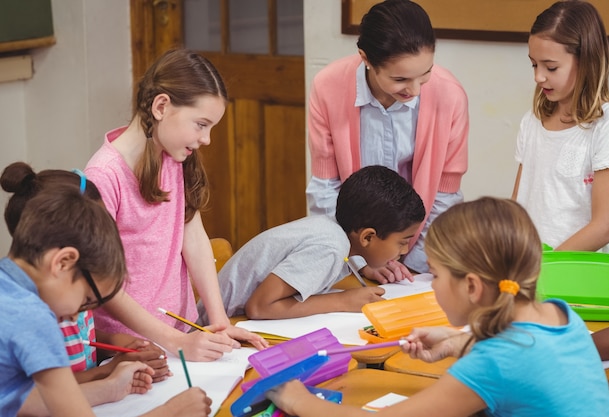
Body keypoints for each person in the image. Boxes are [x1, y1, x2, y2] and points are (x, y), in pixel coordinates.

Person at [267, 197, 609, 416]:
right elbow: (530, 357)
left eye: (435, 275)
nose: (432, 285)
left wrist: (300, 401)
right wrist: (456, 342)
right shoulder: (557, 314)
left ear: (473, 287)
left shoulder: (493, 363)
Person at [84, 48, 267, 361]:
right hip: (130, 348)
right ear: (161, 106)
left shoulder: (173, 155)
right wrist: (175, 343)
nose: (207, 139)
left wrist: (219, 322)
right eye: (201, 124)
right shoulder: (103, 176)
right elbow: (101, 283)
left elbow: (193, 239)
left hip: (178, 334)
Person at [1, 186, 213, 416]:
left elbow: (21, 399)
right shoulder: (34, 318)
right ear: (63, 262)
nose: (75, 317)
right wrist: (170, 412)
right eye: (85, 300)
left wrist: (108, 388)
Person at [306, 0, 469, 282]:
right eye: (401, 79)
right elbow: (325, 190)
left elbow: (445, 196)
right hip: (352, 249)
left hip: (420, 251)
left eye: (425, 73)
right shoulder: (328, 87)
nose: (415, 90)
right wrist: (357, 259)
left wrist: (416, 261)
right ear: (366, 59)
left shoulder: (450, 95)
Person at [197, 165, 424, 320]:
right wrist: (343, 301)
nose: (404, 250)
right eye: (402, 242)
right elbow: (259, 307)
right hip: (219, 329)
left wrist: (368, 266)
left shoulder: (334, 230)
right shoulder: (329, 248)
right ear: (367, 237)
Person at [512, 0, 609, 252]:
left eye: (550, 67)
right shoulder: (531, 122)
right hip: (535, 271)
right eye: (534, 64)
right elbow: (518, 207)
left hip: (582, 275)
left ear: (586, 61)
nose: (538, 76)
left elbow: (604, 227)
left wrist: (547, 264)